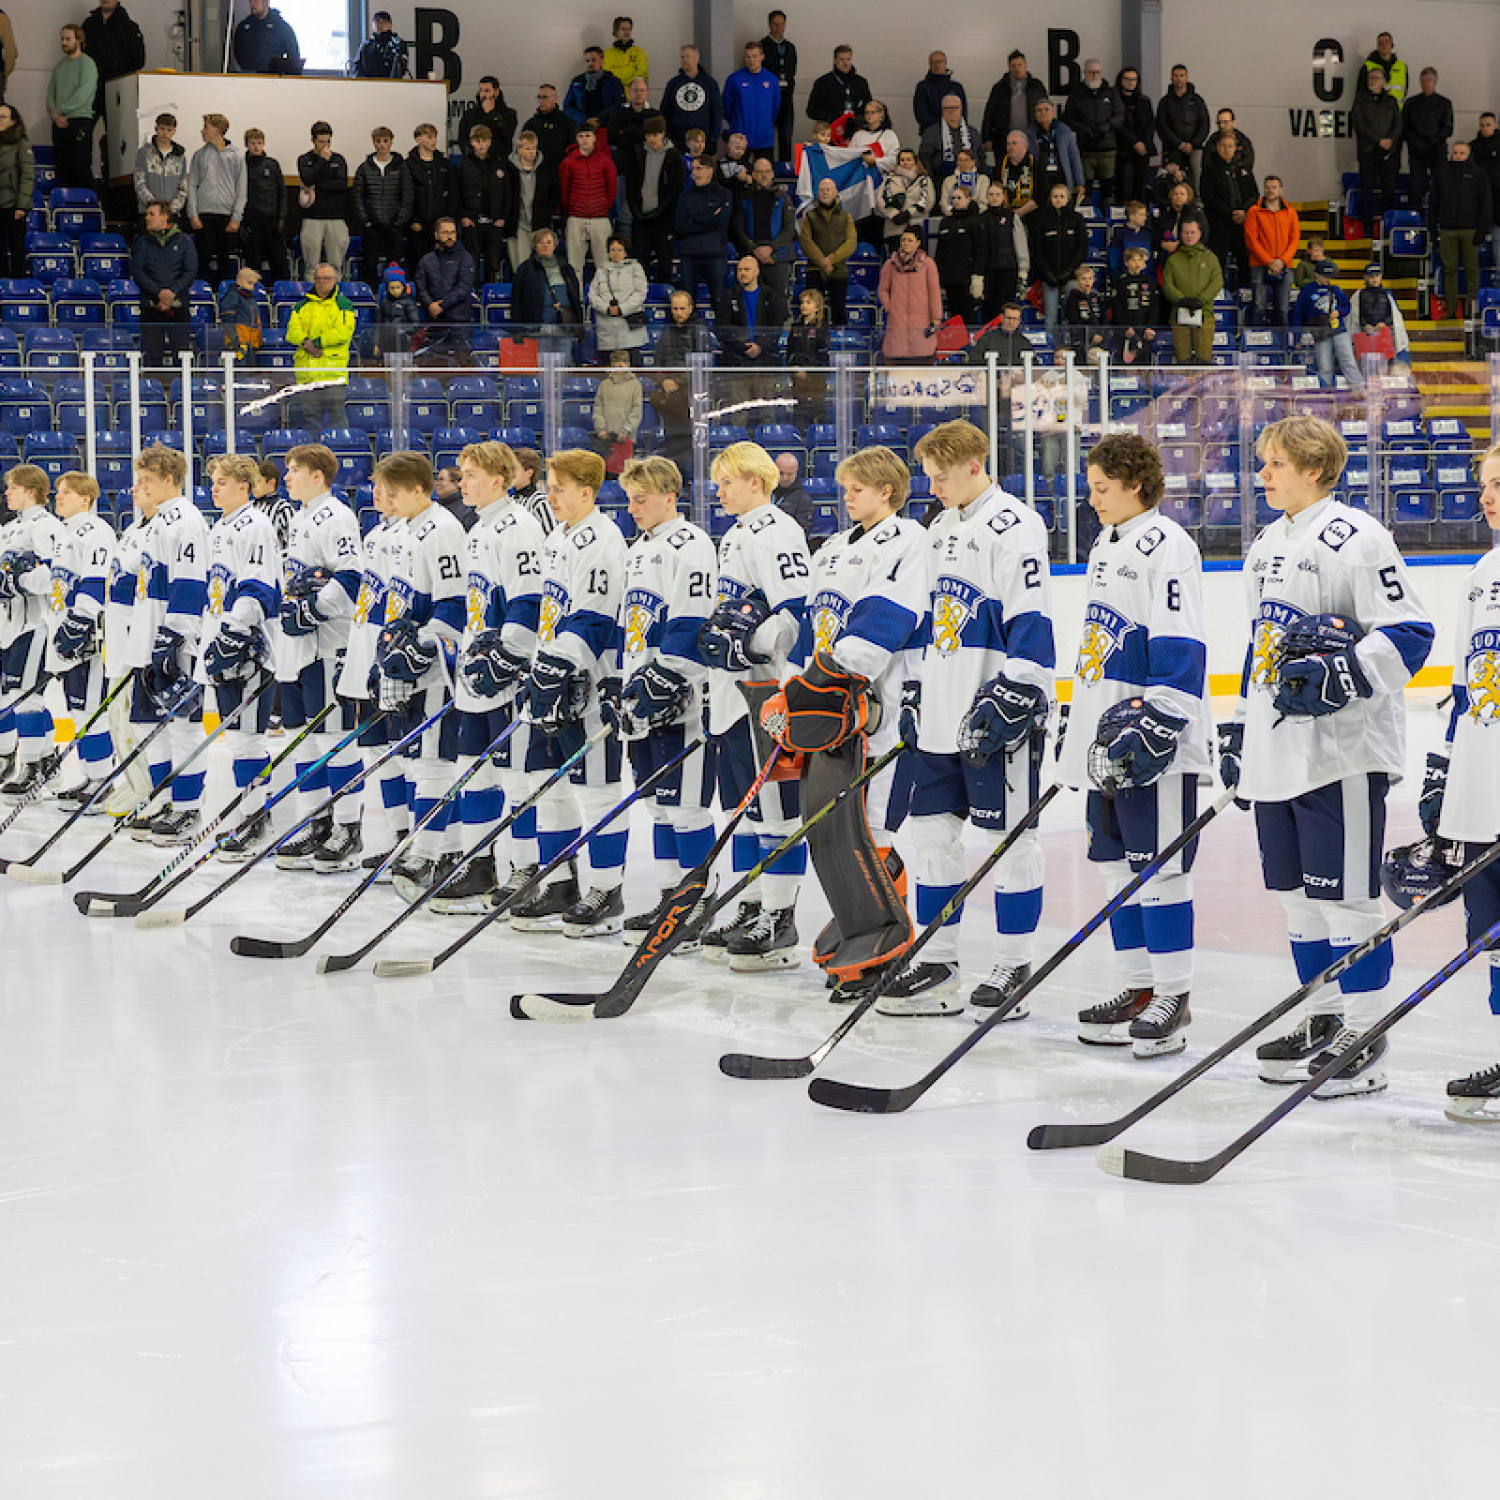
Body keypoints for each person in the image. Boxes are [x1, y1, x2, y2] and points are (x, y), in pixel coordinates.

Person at [1221, 414, 1433, 1098]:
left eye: (1274, 464)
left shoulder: (1357, 538)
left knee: (1347, 903)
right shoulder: (1266, 544)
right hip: (1277, 750)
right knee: (1295, 901)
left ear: (1313, 468)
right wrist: (1239, 728)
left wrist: (1346, 675)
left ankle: (1365, 1035)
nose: (1262, 475)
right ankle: (1324, 1017)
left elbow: (1411, 633)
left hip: (1340, 754)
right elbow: (1261, 646)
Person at [880, 419, 1053, 1016]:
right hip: (939, 714)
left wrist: (1018, 691)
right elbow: (927, 620)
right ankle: (938, 957)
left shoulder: (1014, 525)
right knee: (930, 837)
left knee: (1010, 840)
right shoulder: (940, 526)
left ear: (975, 466)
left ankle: (1014, 964)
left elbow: (1033, 622)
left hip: (995, 712)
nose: (932, 485)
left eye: (941, 474)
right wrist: (914, 691)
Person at [1061, 433, 1211, 1056]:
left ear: (1137, 486)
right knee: (1113, 867)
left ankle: (1173, 995)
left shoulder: (1168, 545)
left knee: (1161, 869)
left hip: (1150, 742)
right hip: (1105, 738)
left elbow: (1182, 644)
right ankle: (1137, 987)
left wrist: (1158, 724)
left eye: (1101, 488)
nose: (1091, 499)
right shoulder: (1106, 542)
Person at [697, 441, 811, 968]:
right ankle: (750, 904)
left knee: (774, 812)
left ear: (756, 482)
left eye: (726, 482)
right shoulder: (738, 532)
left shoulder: (777, 531)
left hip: (763, 691)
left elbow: (796, 612)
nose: (718, 491)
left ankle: (779, 917)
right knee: (742, 812)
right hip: (730, 691)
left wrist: (750, 644)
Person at [508, 448, 630, 935]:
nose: (549, 495)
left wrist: (558, 665)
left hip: (589, 684)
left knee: (596, 792)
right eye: (548, 487)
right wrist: (539, 668)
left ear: (587, 491)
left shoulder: (603, 539)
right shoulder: (558, 536)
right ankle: (559, 884)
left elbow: (596, 618)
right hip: (550, 678)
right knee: (547, 786)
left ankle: (608, 890)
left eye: (558, 488)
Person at [430, 440, 546, 915]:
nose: (463, 482)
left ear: (499, 480)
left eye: (471, 475)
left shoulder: (518, 525)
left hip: (508, 677)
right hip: (477, 675)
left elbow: (528, 600)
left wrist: (506, 658)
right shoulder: (478, 527)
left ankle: (526, 868)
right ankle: (480, 864)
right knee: (472, 770)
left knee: (517, 777)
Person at [1420, 446, 1500, 1121]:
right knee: (1495, 936)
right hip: (1482, 792)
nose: (1488, 497)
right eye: (1484, 486)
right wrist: (1441, 774)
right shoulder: (1481, 573)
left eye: (1499, 484)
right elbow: (1462, 689)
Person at [613, 455, 717, 934]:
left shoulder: (690, 544)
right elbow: (629, 625)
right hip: (641, 696)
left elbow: (693, 620)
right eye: (630, 499)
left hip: (680, 700)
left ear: (670, 496)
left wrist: (668, 676)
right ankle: (669, 900)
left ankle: (696, 904)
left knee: (687, 805)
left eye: (642, 499)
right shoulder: (639, 547)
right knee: (657, 804)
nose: (633, 508)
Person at [370, 449, 468, 899]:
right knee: (413, 760)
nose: (385, 497)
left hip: (438, 672)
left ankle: (427, 856)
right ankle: (437, 849)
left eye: (393, 490)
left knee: (433, 762)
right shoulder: (407, 530)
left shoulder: (441, 530)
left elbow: (453, 603)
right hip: (413, 668)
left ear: (417, 489)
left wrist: (421, 649)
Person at [272, 443, 364, 869]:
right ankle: (317, 824)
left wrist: (312, 609)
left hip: (328, 643)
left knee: (334, 740)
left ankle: (348, 830)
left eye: (293, 470)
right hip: (298, 648)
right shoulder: (300, 516)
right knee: (303, 740)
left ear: (317, 475)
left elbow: (350, 576)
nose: (286, 477)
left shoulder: (337, 516)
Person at [121, 443, 211, 844]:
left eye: (147, 480)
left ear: (170, 480)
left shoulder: (187, 521)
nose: (140, 486)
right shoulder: (156, 522)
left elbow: (191, 584)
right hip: (146, 636)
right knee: (147, 726)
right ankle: (162, 799)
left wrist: (174, 636)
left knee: (181, 727)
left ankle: (188, 807)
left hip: (173, 640)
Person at [191, 453, 281, 854]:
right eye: (213, 481)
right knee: (236, 735)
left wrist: (235, 632)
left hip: (246, 647)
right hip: (221, 642)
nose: (214, 487)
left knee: (248, 739)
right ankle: (251, 812)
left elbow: (258, 586)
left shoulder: (256, 524)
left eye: (222, 482)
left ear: (244, 487)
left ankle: (256, 818)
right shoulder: (221, 526)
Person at [35, 470, 116, 805]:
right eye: (58, 493)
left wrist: (79, 622)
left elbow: (95, 582)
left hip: (88, 637)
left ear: (86, 498)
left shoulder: (96, 530)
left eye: (65, 493)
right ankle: (89, 774)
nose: (58, 498)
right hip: (65, 633)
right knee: (76, 706)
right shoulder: (67, 533)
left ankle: (101, 779)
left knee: (89, 707)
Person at [0, 464, 69, 796]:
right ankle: (42, 760)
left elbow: (55, 574)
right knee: (15, 695)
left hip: (36, 622)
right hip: (9, 623)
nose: (6, 492)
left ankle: (29, 767)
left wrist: (17, 582)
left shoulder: (46, 526)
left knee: (25, 696)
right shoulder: (10, 528)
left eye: (12, 487)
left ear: (30, 490)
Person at [82, 0, 145, 184]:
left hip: (118, 90)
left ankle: (114, 181)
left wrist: (120, 78)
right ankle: (85, 181)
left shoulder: (128, 27)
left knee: (118, 138)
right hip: (91, 89)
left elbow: (139, 60)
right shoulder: (89, 25)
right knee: (83, 133)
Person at [285, 262, 354, 428]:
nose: (323, 281)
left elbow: (343, 333)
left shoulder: (344, 305)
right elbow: (291, 332)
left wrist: (314, 343)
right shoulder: (302, 306)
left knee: (338, 420)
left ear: (335, 280)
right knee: (310, 422)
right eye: (319, 278)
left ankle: (339, 453)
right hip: (308, 375)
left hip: (333, 375)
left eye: (327, 278)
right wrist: (305, 342)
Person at [647, 292, 710, 468]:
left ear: (690, 309)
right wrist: (664, 381)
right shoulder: (667, 330)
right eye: (675, 308)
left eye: (682, 308)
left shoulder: (700, 330)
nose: (678, 312)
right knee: (672, 444)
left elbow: (702, 365)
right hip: (670, 396)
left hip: (690, 395)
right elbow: (658, 360)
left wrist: (678, 382)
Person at [131, 199, 197, 368]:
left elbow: (190, 270)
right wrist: (159, 292)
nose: (146, 218)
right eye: (147, 214)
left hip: (178, 308)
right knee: (152, 356)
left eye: (151, 214)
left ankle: (183, 393)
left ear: (165, 217)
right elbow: (138, 272)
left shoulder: (184, 241)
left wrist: (172, 293)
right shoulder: (141, 242)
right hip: (150, 308)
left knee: (182, 357)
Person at [1433, 138, 1491, 322]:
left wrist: (1482, 228)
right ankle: (1450, 312)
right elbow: (1434, 201)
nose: (1457, 156)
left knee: (1472, 270)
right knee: (1449, 271)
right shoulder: (1442, 173)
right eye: (1455, 152)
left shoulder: (1478, 174)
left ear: (1468, 154)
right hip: (1447, 229)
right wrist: (1432, 227)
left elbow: (1485, 203)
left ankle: (1472, 312)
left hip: (1470, 230)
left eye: (1461, 153)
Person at [186, 113, 245, 291]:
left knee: (224, 258)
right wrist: (193, 214)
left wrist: (236, 217)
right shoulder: (199, 155)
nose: (202, 131)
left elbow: (241, 189)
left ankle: (223, 294)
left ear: (217, 130)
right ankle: (202, 293)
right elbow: (192, 185)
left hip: (226, 215)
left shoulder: (236, 156)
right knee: (202, 256)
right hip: (204, 214)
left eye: (206, 127)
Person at [625, 116, 683, 285]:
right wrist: (636, 210)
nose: (652, 139)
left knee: (665, 260)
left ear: (663, 134)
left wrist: (660, 212)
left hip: (663, 219)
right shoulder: (637, 154)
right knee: (640, 262)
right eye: (649, 134)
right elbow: (631, 185)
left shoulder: (674, 157)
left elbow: (675, 190)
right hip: (641, 218)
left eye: (656, 134)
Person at [355, 126, 413, 289]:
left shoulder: (401, 167)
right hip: (372, 224)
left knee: (394, 263)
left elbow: (407, 195)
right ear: (373, 143)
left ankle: (392, 293)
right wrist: (365, 219)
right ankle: (371, 293)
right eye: (378, 141)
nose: (382, 145)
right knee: (369, 262)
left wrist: (400, 220)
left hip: (395, 224)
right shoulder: (365, 167)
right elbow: (358, 196)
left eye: (385, 141)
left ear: (391, 142)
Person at [1291, 257, 1362, 387]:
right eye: (1324, 276)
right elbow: (1298, 314)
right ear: (1316, 275)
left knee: (1348, 359)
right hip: (1320, 332)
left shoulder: (1335, 289)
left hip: (1338, 329)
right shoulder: (1307, 291)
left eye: (1329, 277)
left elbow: (1347, 306)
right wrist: (1297, 337)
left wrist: (1338, 312)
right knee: (1324, 366)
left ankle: (1358, 387)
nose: (1327, 280)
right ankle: (1325, 391)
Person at [507, 224, 580, 349]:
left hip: (564, 326)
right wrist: (518, 329)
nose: (545, 245)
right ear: (535, 246)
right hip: (538, 327)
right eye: (540, 242)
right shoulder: (525, 269)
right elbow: (516, 300)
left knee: (563, 364)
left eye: (548, 242)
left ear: (555, 245)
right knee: (541, 364)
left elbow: (575, 296)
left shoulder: (566, 267)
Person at [558, 122, 617, 277]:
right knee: (574, 264)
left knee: (604, 265)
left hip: (600, 218)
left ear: (594, 138)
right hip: (575, 217)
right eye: (581, 136)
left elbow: (612, 189)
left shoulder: (605, 161)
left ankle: (604, 299)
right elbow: (564, 190)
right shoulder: (568, 162)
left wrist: (603, 208)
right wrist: (571, 209)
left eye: (588, 136)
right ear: (576, 139)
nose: (585, 140)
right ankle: (576, 300)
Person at [1029, 180, 1087, 335]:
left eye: (1062, 196)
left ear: (1068, 198)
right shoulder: (1041, 219)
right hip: (1050, 276)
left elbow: (1082, 248)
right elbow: (1037, 250)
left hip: (1072, 276)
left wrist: (1069, 270)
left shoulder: (1076, 219)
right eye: (1055, 196)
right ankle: (1051, 349)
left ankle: (1075, 346)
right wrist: (1047, 274)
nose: (1058, 199)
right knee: (1051, 315)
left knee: (1073, 313)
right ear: (1050, 198)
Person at [1162, 217, 1222, 366]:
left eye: (1192, 232)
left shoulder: (1210, 258)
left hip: (1205, 313)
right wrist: (1182, 300)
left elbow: (1217, 282)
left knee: (1204, 359)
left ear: (1199, 234)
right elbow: (1167, 285)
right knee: (1183, 359)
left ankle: (1204, 389)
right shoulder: (1173, 260)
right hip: (1179, 314)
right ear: (1181, 234)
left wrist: (1201, 300)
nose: (1189, 236)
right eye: (1186, 233)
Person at [415, 217, 477, 359]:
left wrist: (441, 306)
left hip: (459, 324)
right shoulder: (426, 260)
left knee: (463, 369)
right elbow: (420, 286)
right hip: (435, 324)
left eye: (453, 232)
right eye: (445, 232)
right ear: (436, 234)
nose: (449, 236)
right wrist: (430, 305)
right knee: (435, 369)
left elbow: (464, 288)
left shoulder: (465, 258)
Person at [456, 123, 509, 289]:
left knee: (493, 262)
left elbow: (508, 194)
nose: (480, 144)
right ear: (471, 142)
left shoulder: (499, 164)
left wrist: (502, 217)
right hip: (472, 221)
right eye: (477, 140)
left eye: (484, 140)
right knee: (472, 262)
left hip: (494, 222)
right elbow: (456, 192)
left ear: (490, 142)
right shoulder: (463, 164)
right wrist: (462, 216)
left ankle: (491, 292)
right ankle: (473, 294)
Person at [717, 254, 783, 385]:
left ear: (757, 271)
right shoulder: (728, 297)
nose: (742, 273)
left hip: (765, 362)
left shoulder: (771, 296)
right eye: (739, 270)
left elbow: (776, 328)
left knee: (765, 404)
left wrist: (760, 347)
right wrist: (743, 347)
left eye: (746, 269)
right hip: (736, 362)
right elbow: (722, 328)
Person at [674, 154, 731, 304]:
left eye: (699, 168)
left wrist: (695, 219)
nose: (694, 173)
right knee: (686, 303)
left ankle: (720, 328)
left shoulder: (724, 194)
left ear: (710, 170)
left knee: (719, 301)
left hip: (716, 253)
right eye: (693, 169)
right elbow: (680, 226)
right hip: (689, 254)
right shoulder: (685, 196)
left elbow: (721, 220)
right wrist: (709, 218)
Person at [1200, 130, 1256, 283]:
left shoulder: (1243, 169)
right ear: (1217, 147)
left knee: (1244, 258)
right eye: (1223, 146)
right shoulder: (1210, 169)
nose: (1227, 149)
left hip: (1242, 223)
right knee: (1219, 259)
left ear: (1236, 148)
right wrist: (1230, 213)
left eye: (1230, 146)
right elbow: (1209, 197)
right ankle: (1217, 291)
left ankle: (1244, 291)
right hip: (1220, 223)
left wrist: (1244, 212)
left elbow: (1253, 195)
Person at [798, 178, 856, 325]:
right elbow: (805, 242)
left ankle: (839, 343)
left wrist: (830, 260)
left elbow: (851, 243)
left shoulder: (846, 217)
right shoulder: (809, 216)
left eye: (828, 190)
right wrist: (823, 263)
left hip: (838, 271)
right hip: (814, 271)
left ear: (835, 192)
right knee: (812, 314)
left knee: (838, 311)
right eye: (822, 190)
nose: (825, 192)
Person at [1352, 66, 1402, 231]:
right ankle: (1366, 229)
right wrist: (1378, 140)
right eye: (1370, 77)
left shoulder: (1391, 101)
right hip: (1368, 151)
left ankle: (1389, 227)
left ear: (1384, 81)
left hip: (1388, 153)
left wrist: (1390, 140)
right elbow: (1359, 125)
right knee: (1368, 190)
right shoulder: (1360, 100)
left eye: (1376, 77)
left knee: (1389, 189)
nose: (1373, 80)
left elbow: (1398, 124)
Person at [1244, 175, 1299, 326]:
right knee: (1258, 307)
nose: (1271, 191)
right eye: (1268, 187)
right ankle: (1255, 343)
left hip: (1285, 265)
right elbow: (1251, 240)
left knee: (1282, 309)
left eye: (1274, 187)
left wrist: (1282, 261)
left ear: (1280, 189)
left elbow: (1295, 239)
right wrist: (1269, 261)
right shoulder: (1253, 212)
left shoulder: (1291, 213)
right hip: (1259, 265)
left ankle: (1281, 346)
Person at [298, 122, 351, 276]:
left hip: (336, 216)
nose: (325, 145)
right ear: (313, 140)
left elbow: (342, 185)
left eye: (328, 141)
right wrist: (322, 162)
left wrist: (318, 184)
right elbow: (307, 179)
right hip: (313, 217)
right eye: (321, 141)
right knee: (311, 265)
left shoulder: (339, 159)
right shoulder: (305, 159)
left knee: (336, 264)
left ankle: (334, 297)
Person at [47, 25, 97, 189]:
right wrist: (54, 115)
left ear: (79, 40)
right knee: (62, 167)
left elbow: (83, 94)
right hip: (59, 122)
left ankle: (85, 206)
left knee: (79, 165)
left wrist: (60, 111)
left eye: (68, 39)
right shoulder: (59, 67)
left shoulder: (87, 64)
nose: (64, 42)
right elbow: (50, 95)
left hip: (79, 120)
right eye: (62, 39)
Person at [981, 50, 1047, 170]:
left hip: (1031, 136)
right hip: (1004, 137)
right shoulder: (999, 87)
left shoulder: (1037, 86)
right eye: (1013, 66)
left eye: (1020, 65)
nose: (1017, 69)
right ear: (1008, 67)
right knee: (1005, 169)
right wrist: (987, 138)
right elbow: (989, 113)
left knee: (1032, 169)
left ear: (1025, 65)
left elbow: (1046, 111)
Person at [1064, 59, 1116, 207]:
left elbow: (1119, 115)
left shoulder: (1111, 92)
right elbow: (1067, 117)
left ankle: (1108, 224)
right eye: (1091, 72)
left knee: (1108, 192)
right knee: (1085, 189)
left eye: (1097, 72)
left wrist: (1106, 127)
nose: (1094, 75)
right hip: (1084, 149)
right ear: (1084, 73)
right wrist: (1082, 129)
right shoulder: (1076, 93)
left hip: (1107, 148)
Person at [506, 130, 558, 277]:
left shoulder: (546, 169)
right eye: (527, 148)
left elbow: (553, 194)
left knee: (544, 265)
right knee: (521, 266)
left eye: (533, 148)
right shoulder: (509, 169)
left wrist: (547, 213)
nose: (531, 152)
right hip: (518, 224)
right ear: (519, 150)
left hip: (539, 222)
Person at [589, 233, 648, 361]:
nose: (616, 253)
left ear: (626, 252)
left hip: (630, 330)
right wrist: (606, 308)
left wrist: (622, 309)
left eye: (619, 250)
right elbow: (592, 295)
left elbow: (640, 293)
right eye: (612, 250)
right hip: (607, 330)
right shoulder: (601, 271)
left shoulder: (636, 268)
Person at [240, 127, 288, 282]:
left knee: (280, 262)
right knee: (253, 264)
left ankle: (282, 294)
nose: (256, 146)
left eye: (259, 143)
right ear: (246, 144)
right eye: (253, 143)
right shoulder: (241, 166)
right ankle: (254, 297)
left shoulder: (272, 165)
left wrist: (281, 219)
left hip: (272, 220)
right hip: (252, 221)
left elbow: (282, 193)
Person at [1402, 68, 1451, 214]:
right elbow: (1405, 128)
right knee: (1416, 187)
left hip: (1438, 150)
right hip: (1417, 150)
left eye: (1429, 80)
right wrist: (1416, 143)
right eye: (1423, 80)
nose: (1426, 83)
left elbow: (1448, 128)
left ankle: (1440, 220)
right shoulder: (1411, 103)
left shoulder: (1444, 103)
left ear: (1435, 81)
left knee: (1441, 185)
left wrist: (1433, 142)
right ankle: (1416, 220)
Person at [408, 122, 455, 267]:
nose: (433, 141)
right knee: (418, 261)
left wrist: (448, 219)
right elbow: (407, 194)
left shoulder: (444, 164)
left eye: (434, 137)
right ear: (418, 139)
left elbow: (452, 192)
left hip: (440, 222)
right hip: (418, 223)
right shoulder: (409, 165)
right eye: (428, 137)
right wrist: (412, 219)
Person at [934, 181, 981, 322]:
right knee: (954, 314)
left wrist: (977, 275)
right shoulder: (946, 221)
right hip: (949, 276)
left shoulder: (975, 221)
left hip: (966, 276)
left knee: (968, 312)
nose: (955, 201)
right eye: (953, 198)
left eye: (959, 198)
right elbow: (940, 250)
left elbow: (979, 249)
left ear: (969, 199)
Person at [1156, 64, 1209, 189]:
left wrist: (1193, 143)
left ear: (1187, 77)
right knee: (1174, 179)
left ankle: (1197, 201)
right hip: (1172, 147)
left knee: (1197, 175)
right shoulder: (1165, 102)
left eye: (1182, 75)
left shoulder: (1197, 100)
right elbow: (1162, 126)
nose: (1179, 79)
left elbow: (1204, 124)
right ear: (1171, 78)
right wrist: (1178, 143)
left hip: (1194, 147)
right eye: (1176, 76)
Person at [723, 41, 780, 156]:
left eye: (755, 56)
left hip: (765, 140)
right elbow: (726, 106)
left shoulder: (772, 80)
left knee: (765, 172)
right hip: (740, 140)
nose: (751, 60)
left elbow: (775, 108)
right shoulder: (734, 79)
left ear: (762, 57)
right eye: (748, 57)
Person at [662, 45, 722, 151]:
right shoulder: (673, 84)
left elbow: (717, 112)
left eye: (688, 56)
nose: (685, 60)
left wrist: (713, 139)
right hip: (678, 140)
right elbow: (665, 111)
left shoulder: (709, 83)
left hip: (702, 140)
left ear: (697, 58)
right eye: (682, 57)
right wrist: (668, 136)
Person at [784, 287, 829, 424]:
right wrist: (795, 366)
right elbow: (790, 349)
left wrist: (808, 369)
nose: (804, 305)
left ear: (817, 307)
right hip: (797, 374)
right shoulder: (796, 326)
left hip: (816, 375)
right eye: (803, 302)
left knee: (818, 407)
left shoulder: (823, 327)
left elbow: (822, 351)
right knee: (799, 407)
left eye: (808, 302)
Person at [1352, 261, 1409, 368]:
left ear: (1381, 276)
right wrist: (1365, 325)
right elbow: (1356, 315)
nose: (1374, 279)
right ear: (1365, 277)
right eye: (1371, 276)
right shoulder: (1359, 294)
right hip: (1365, 335)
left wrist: (1384, 323)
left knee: (1385, 365)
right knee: (1365, 365)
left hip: (1384, 335)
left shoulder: (1387, 294)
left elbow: (1394, 315)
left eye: (1377, 276)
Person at [1112, 67, 1155, 207]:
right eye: (1127, 79)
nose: (1130, 82)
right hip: (1122, 148)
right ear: (1120, 80)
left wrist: (1144, 144)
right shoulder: (1114, 100)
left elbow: (1150, 124)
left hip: (1143, 149)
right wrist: (1134, 142)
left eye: (1133, 79)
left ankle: (1140, 216)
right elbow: (1117, 125)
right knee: (1125, 186)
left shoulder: (1144, 101)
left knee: (1140, 185)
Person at [1029, 99, 1084, 206]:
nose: (1043, 113)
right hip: (1040, 178)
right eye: (1039, 111)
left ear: (1053, 112)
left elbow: (1074, 158)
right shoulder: (1029, 133)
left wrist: (1079, 182)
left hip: (1061, 175)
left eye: (1046, 110)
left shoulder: (1064, 131)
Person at [1109, 245, 1159, 363]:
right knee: (1125, 362)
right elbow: (1117, 307)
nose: (1137, 263)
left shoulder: (1149, 282)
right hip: (1126, 331)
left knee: (1144, 362)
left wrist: (1150, 327)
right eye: (1133, 260)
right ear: (1127, 262)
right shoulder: (1121, 282)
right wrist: (1125, 327)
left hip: (1144, 329)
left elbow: (1154, 307)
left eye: (1140, 260)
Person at [134, 113, 187, 222]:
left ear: (174, 131)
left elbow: (183, 187)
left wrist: (171, 208)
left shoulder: (180, 157)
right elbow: (139, 182)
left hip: (172, 213)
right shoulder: (144, 153)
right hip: (148, 212)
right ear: (156, 129)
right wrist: (154, 205)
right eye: (162, 129)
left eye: (169, 130)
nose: (165, 133)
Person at [920, 94, 979, 188]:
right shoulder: (931, 132)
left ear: (961, 109)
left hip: (971, 178)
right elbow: (924, 158)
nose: (951, 111)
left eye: (955, 108)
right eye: (947, 108)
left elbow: (980, 156)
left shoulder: (973, 132)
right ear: (942, 111)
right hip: (940, 179)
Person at [878, 150, 934, 249]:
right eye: (902, 160)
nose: (905, 162)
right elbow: (881, 200)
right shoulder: (889, 179)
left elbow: (928, 201)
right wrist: (894, 215)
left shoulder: (924, 180)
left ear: (915, 161)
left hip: (916, 228)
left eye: (909, 159)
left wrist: (909, 213)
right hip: (894, 229)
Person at [807, 45, 870, 132]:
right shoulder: (823, 83)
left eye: (848, 59)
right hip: (830, 130)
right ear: (835, 60)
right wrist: (832, 116)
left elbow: (869, 107)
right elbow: (811, 111)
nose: (845, 63)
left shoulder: (861, 82)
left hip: (856, 130)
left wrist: (859, 119)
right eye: (841, 59)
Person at [0, 101, 30, 276]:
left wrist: (21, 205)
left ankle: (19, 288)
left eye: (3, 117)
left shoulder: (21, 143)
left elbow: (27, 176)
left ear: (13, 121)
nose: (0, 120)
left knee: (17, 248)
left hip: (13, 206)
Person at [458, 75, 519, 162]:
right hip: (474, 162)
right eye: (481, 90)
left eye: (487, 91)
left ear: (496, 92)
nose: (483, 95)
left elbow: (507, 134)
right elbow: (463, 139)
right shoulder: (470, 114)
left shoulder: (509, 114)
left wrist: (492, 114)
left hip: (499, 161)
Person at [232, 0, 301, 75]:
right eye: (250, 1)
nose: (252, 5)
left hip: (273, 79)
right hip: (248, 77)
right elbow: (237, 50)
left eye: (256, 1)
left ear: (266, 2)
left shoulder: (281, 27)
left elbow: (293, 56)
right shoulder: (243, 27)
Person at [564, 47, 625, 129]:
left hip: (607, 126)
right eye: (587, 61)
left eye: (594, 60)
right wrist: (584, 120)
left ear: (602, 60)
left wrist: (599, 119)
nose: (590, 64)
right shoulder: (577, 82)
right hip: (582, 126)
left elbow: (619, 104)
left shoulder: (614, 81)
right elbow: (567, 106)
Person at [523, 84, 577, 167]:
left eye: (545, 97)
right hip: (537, 170)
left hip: (559, 170)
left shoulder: (567, 123)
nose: (541, 101)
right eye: (539, 98)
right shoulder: (532, 124)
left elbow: (574, 149)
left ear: (555, 99)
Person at [1062, 263, 1107, 360]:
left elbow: (1103, 317)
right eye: (1083, 279)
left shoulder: (1097, 297)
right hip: (1080, 339)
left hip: (1098, 338)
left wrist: (1101, 334)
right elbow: (1073, 319)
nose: (1087, 281)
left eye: (1090, 278)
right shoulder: (1073, 297)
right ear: (1077, 281)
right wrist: (1089, 336)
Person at [914, 53, 966, 136]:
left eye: (940, 62)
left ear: (945, 63)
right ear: (929, 64)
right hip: (931, 133)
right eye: (933, 62)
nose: (937, 65)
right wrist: (938, 129)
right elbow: (921, 114)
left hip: (955, 132)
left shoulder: (956, 88)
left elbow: (963, 113)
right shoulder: (923, 87)